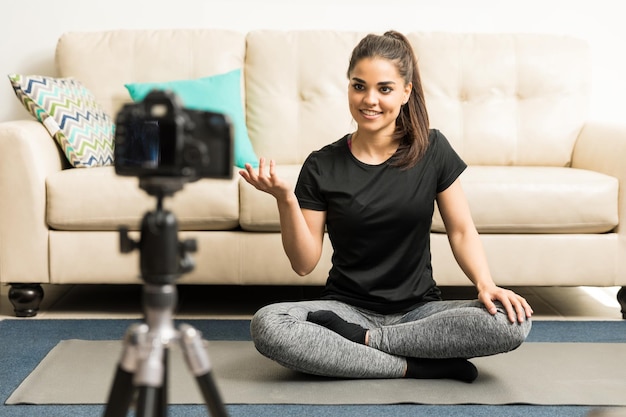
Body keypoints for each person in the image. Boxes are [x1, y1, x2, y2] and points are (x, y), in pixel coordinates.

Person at [239, 30, 533, 383]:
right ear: (348, 87)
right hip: (345, 310)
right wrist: (285, 200)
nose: (370, 100)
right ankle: (415, 366)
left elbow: (461, 229)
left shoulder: (433, 149)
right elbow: (303, 265)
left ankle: (366, 344)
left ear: (406, 92)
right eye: (359, 86)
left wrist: (485, 284)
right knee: (269, 325)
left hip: (419, 313)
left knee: (511, 320)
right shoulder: (321, 164)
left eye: (385, 88)